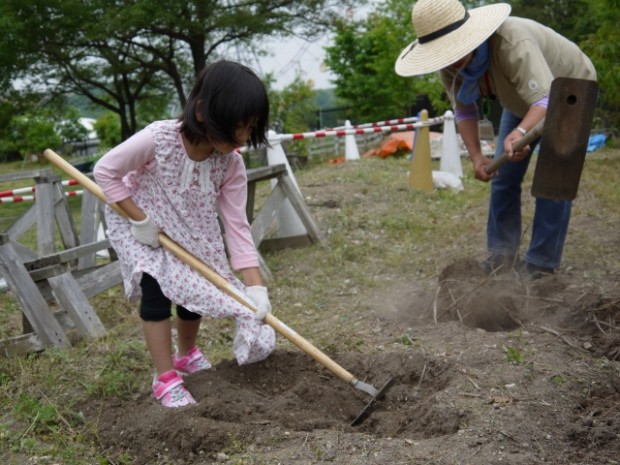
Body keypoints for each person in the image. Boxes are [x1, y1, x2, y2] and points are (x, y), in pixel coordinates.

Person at [94, 60, 276, 407]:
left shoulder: (231, 164)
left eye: (248, 128)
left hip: (190, 230)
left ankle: (186, 353)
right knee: (156, 289)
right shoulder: (159, 139)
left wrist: (255, 287)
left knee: (198, 286)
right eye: (236, 127)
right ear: (204, 112)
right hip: (139, 222)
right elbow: (105, 172)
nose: (241, 138)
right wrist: (140, 220)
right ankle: (165, 377)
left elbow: (237, 227)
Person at [395, 0, 597, 278]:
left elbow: (548, 100)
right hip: (524, 101)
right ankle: (502, 255)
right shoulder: (448, 64)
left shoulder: (512, 42)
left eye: (452, 49)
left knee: (553, 179)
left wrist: (521, 133)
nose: (449, 60)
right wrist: (477, 156)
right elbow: (464, 109)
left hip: (569, 90)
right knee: (503, 178)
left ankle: (541, 265)